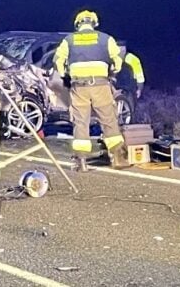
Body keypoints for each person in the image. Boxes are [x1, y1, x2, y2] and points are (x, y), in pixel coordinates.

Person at [53, 10, 130, 169]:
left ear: (78, 24)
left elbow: (58, 60)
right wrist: (112, 72)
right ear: (93, 23)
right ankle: (117, 158)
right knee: (109, 120)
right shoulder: (105, 38)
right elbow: (117, 60)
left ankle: (81, 162)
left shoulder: (69, 40)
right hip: (101, 86)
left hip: (79, 87)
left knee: (81, 122)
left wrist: (65, 76)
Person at [116, 40, 145, 109]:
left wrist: (139, 88)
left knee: (130, 108)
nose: (121, 50)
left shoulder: (133, 59)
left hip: (130, 89)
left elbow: (139, 75)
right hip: (115, 87)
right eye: (119, 48)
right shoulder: (112, 58)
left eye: (123, 48)